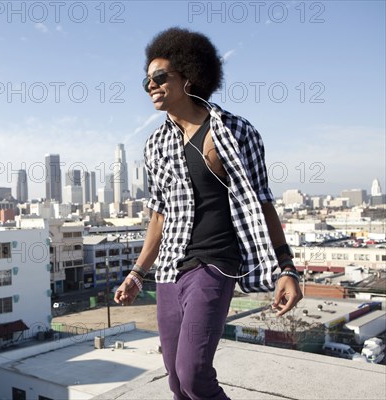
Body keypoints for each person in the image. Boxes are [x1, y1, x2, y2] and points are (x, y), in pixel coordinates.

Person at [114, 27, 303, 400]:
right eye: (146, 80)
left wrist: (287, 268)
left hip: (216, 263)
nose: (150, 85)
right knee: (175, 380)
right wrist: (137, 274)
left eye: (159, 76)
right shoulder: (156, 144)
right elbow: (158, 215)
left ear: (189, 76)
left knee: (194, 373)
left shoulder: (234, 132)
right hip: (170, 268)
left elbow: (263, 202)